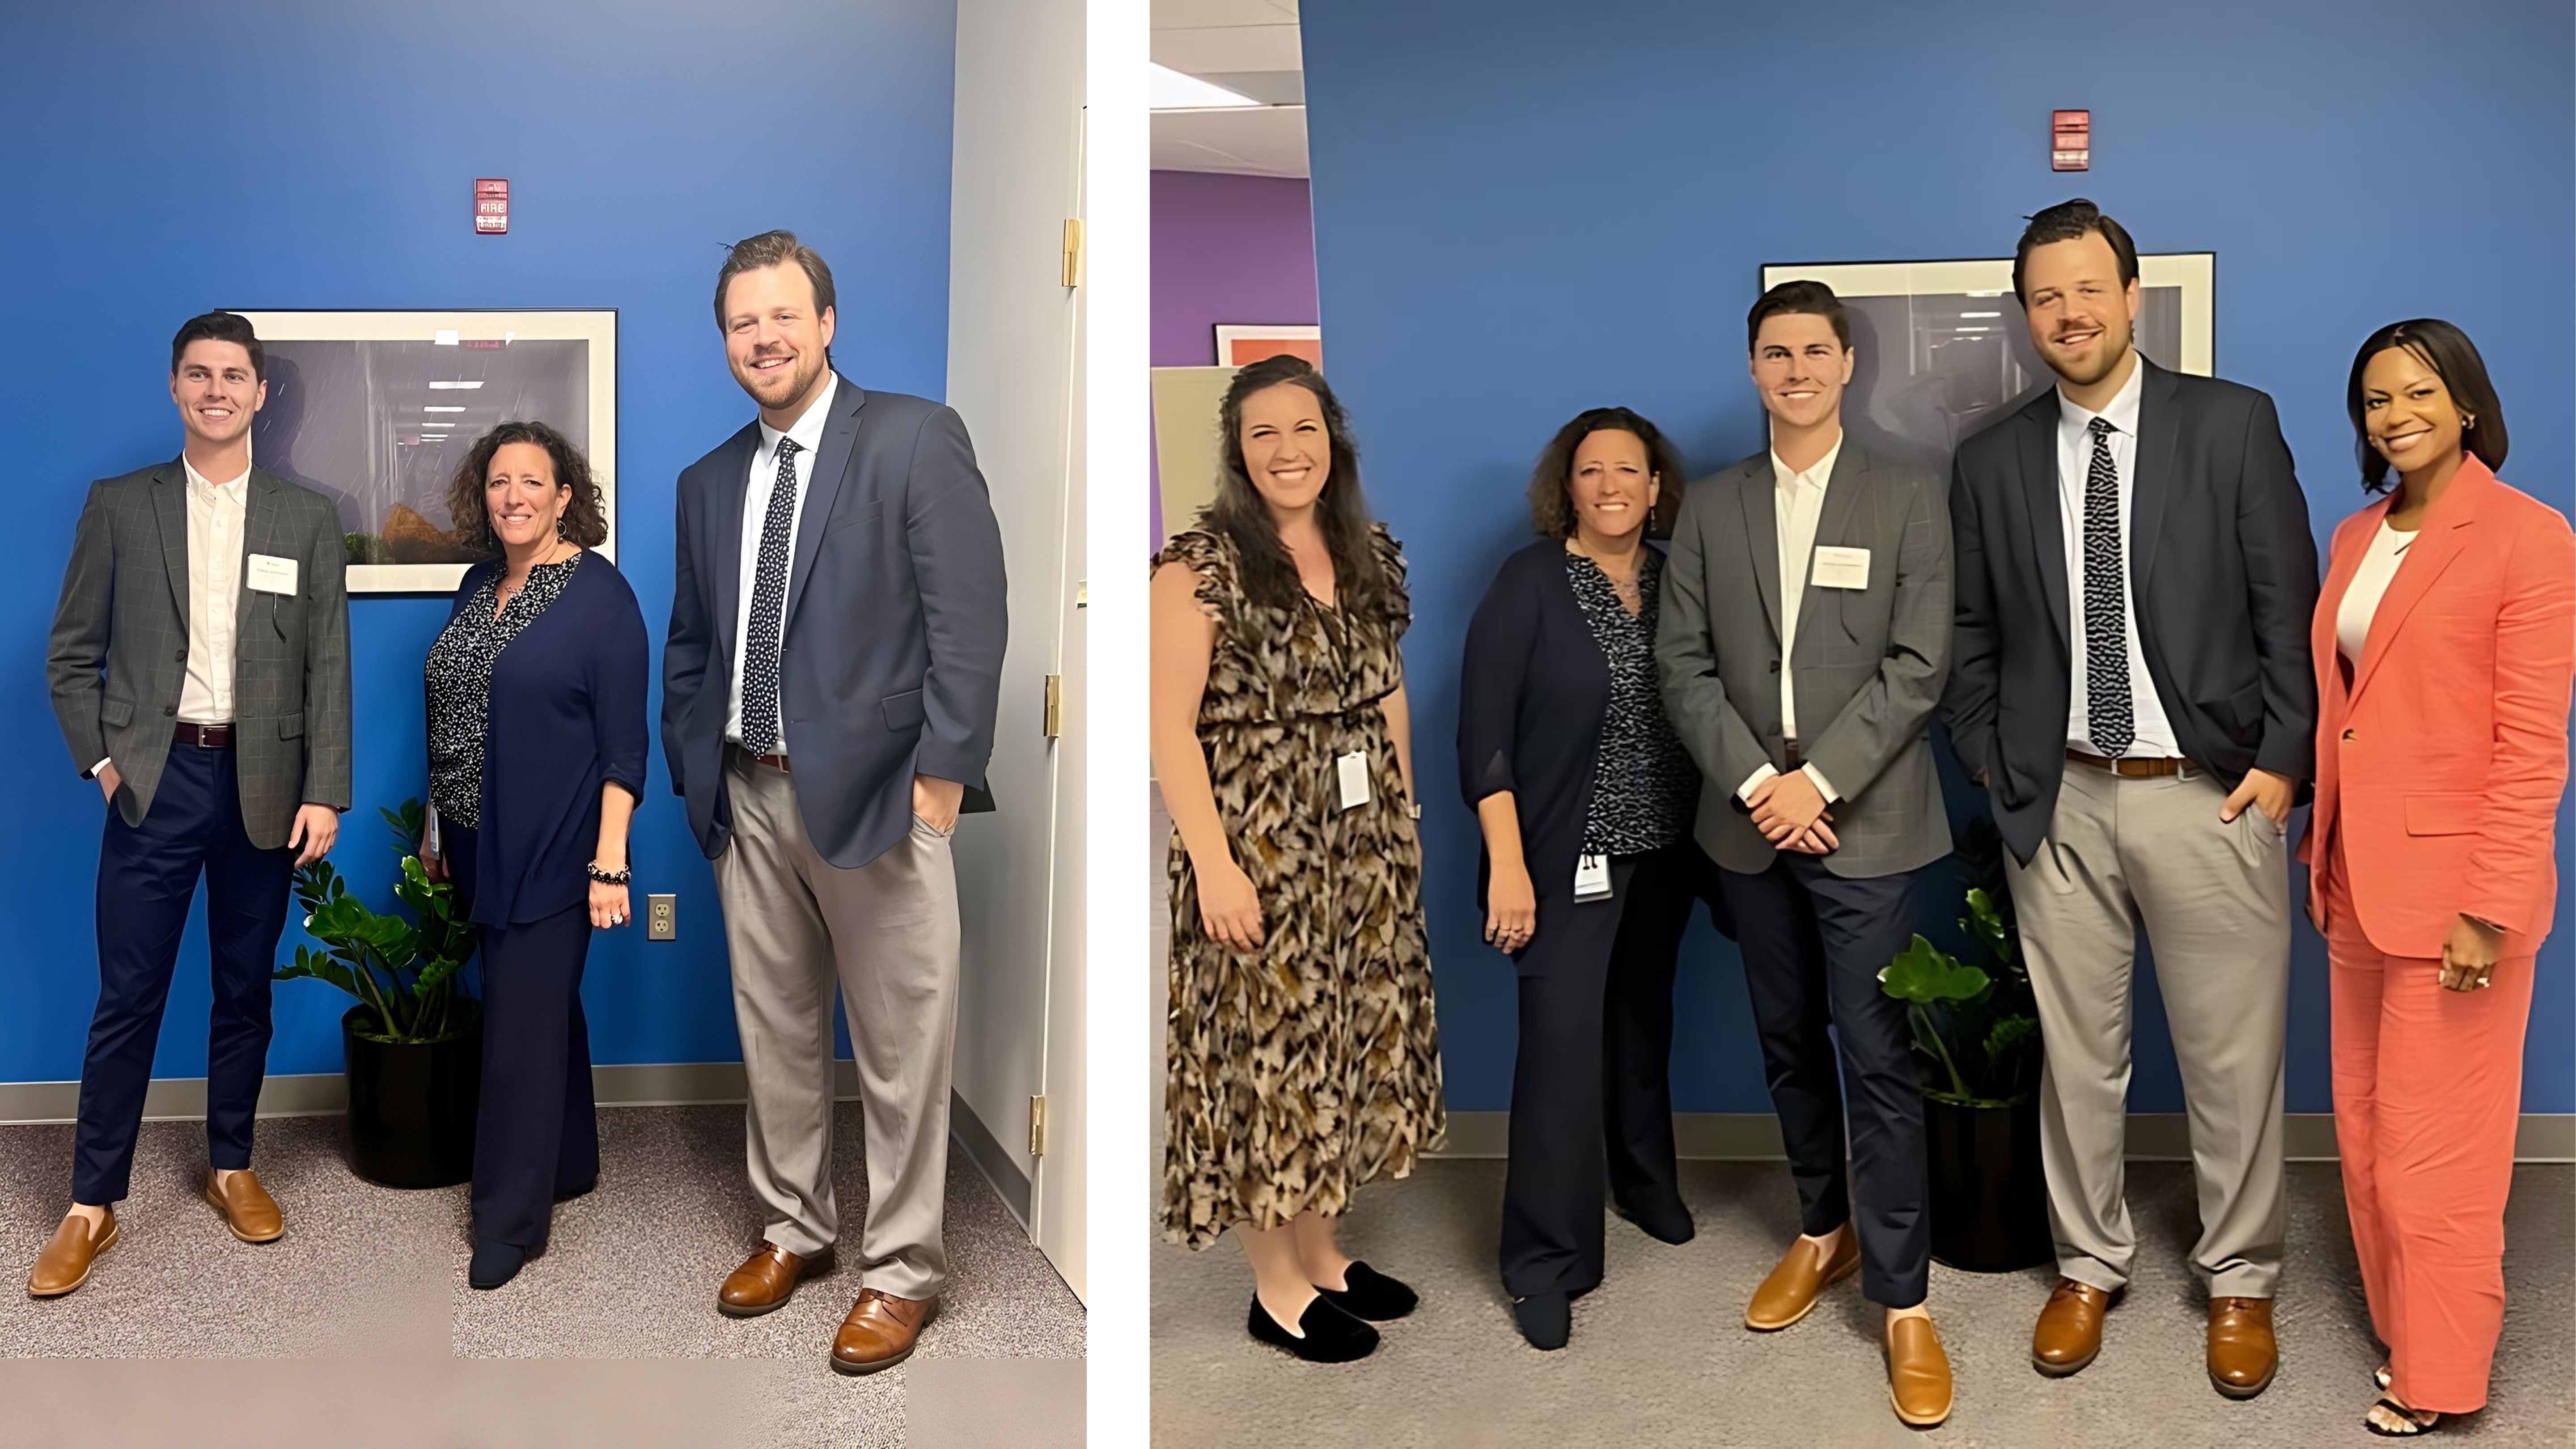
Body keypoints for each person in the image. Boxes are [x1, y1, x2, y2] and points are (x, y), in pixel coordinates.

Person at [1941, 199, 2318, 1398]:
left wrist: (2283, 760)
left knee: (2231, 1058)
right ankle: (2090, 1262)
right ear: (2025, 314)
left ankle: (2242, 1277)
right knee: (2078, 1058)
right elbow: (1971, 635)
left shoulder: (2231, 424)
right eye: (2046, 296)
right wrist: (1998, 767)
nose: (2070, 313)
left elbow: (2286, 607)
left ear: (2131, 295)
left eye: (2088, 289)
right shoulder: (1993, 456)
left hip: (2207, 794)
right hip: (2059, 800)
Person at [664, 230, 1006, 1375]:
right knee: (777, 1035)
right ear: (726, 342)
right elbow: (694, 644)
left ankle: (902, 1270)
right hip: (748, 794)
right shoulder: (708, 480)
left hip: (879, 801)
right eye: (742, 323)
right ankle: (795, 1229)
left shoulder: (912, 438)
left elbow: (969, 618)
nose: (763, 338)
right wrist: (694, 771)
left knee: (903, 1048)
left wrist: (942, 782)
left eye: (783, 316)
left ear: (827, 325)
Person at [1657, 280, 1955, 1427]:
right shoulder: (1714, 508)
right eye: (1774, 353)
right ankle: (1822, 1233)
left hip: (1863, 823)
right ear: (1752, 369)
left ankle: (1903, 1298)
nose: (1796, 371)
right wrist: (1758, 787)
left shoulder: (1908, 498)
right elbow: (1682, 664)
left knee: (1875, 1057)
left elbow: (1920, 666)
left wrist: (1816, 783)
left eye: (1815, 352)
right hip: (1748, 828)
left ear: (1847, 365)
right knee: (1786, 1044)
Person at [34, 311, 352, 1297]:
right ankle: (93, 1203)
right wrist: (103, 763)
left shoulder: (307, 518)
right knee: (127, 997)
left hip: (265, 786)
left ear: (261, 394)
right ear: (174, 388)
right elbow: (69, 654)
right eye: (198, 374)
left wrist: (326, 792)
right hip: (154, 781)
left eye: (234, 376)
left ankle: (230, 1165)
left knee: (243, 992)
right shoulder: (120, 505)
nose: (217, 390)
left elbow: (327, 668)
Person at [2304, 320, 2572, 1436]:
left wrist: (2492, 906)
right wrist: (2322, 847)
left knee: (2440, 1154)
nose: (2396, 413)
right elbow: (2352, 716)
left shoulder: (2528, 537)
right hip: (2359, 880)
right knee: (2365, 1131)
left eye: (2419, 392)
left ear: (2466, 403)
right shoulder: (2357, 535)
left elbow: (2531, 742)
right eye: (2376, 399)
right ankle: (2406, 1326)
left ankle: (2442, 1379)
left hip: (2459, 899)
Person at [1150, 354, 1444, 1364]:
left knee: (1339, 1048)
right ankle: (1274, 1288)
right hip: (1257, 847)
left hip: (1357, 851)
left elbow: (1387, 686)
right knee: (1264, 1065)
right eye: (1265, 432)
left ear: (1334, 441)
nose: (1289, 450)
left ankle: (1321, 1253)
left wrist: (1404, 802)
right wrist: (1216, 866)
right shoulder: (1198, 568)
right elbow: (1170, 730)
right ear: (1238, 448)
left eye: (1306, 429)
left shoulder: (1367, 552)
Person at [1459, 406, 1706, 1351]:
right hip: (1563, 856)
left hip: (1668, 851)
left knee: (1643, 1023)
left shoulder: (1682, 574)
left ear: (1656, 487)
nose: (1610, 487)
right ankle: (1545, 1260)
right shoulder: (1528, 584)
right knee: (1562, 1050)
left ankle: (1643, 1182)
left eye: (1628, 471)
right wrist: (1510, 867)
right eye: (1591, 471)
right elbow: (1481, 736)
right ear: (1567, 487)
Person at [418, 420, 648, 1291]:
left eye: (532, 482)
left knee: (517, 1026)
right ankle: (569, 1160)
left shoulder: (601, 598)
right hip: (478, 841)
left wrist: (609, 863)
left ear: (564, 497)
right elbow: (453, 713)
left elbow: (624, 749)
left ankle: (509, 1223)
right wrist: (437, 828)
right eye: (498, 482)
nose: (513, 496)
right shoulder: (480, 584)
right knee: (540, 1007)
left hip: (557, 847)